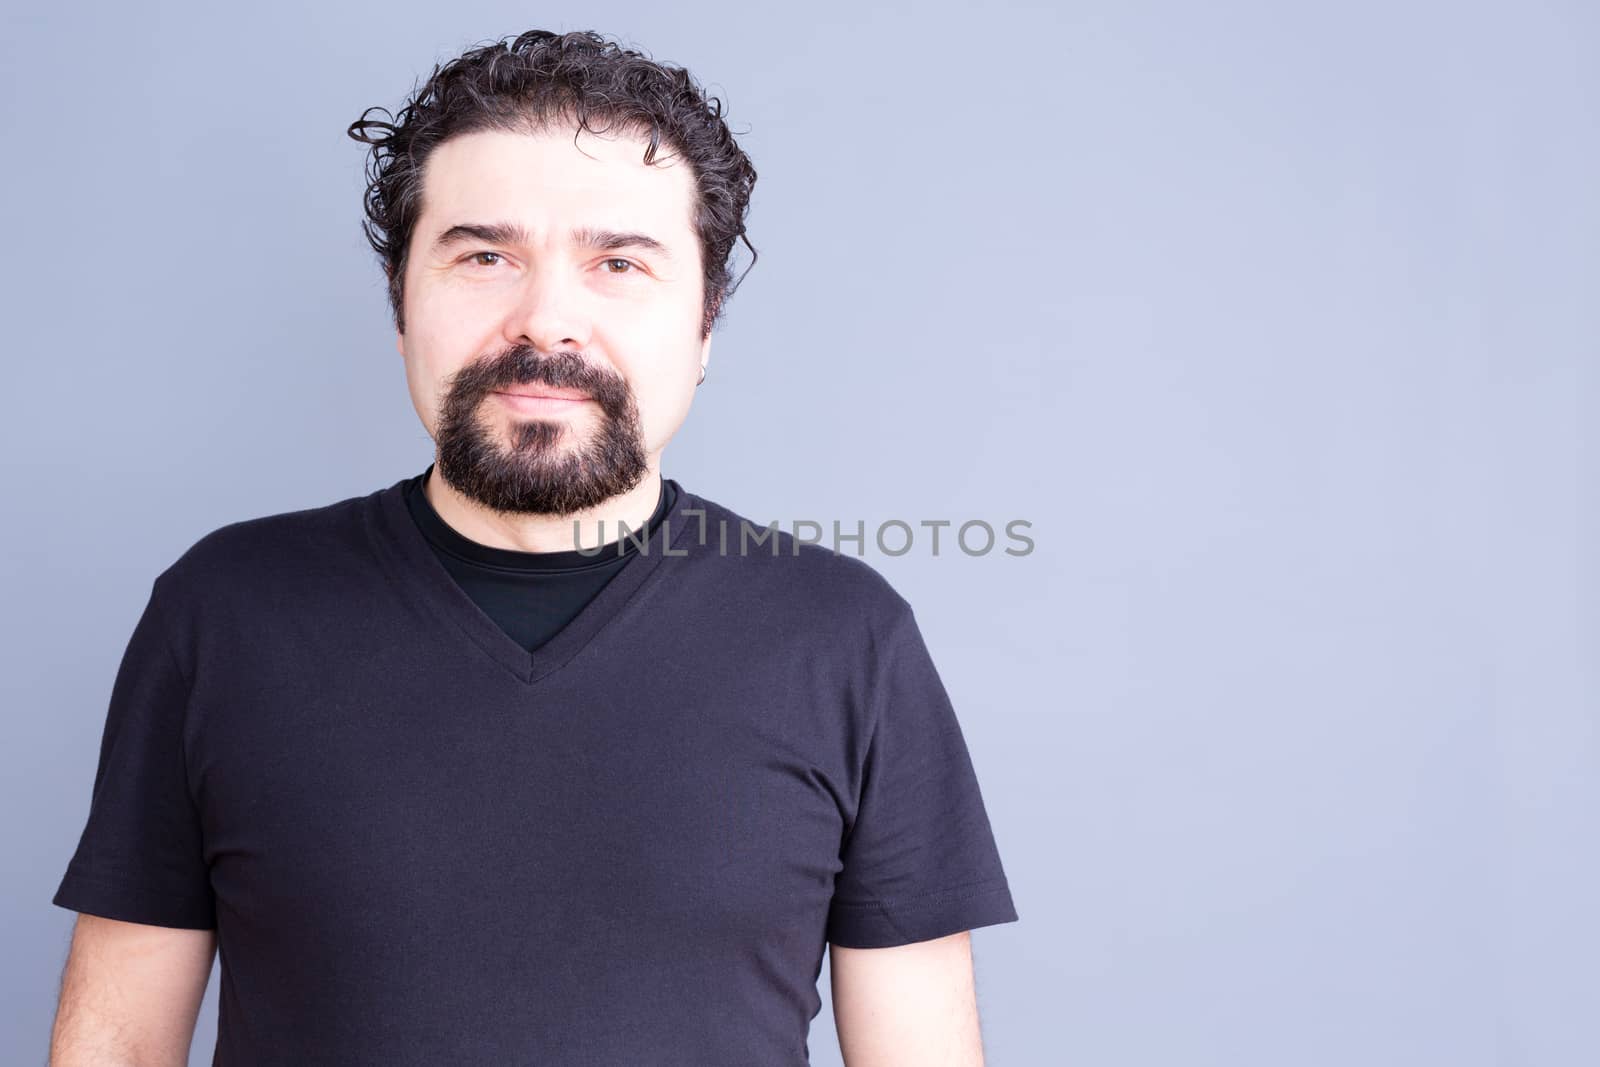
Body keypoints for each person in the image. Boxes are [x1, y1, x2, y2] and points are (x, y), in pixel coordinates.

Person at [47, 29, 1018, 1066]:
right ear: (399, 300)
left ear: (703, 326)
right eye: (483, 256)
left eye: (618, 263)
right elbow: (116, 1042)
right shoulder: (222, 609)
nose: (546, 318)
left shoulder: (843, 635)